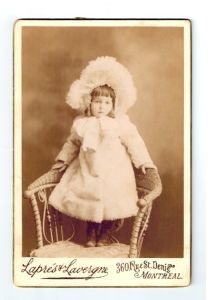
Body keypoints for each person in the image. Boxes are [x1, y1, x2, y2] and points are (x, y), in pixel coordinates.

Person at [49, 56, 159, 247]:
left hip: (114, 172)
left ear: (113, 105)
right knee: (89, 200)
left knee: (111, 202)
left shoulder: (120, 123)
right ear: (89, 103)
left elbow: (134, 142)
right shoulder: (81, 123)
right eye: (98, 101)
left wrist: (143, 162)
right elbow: (72, 144)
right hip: (88, 171)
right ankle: (91, 232)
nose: (102, 106)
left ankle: (106, 232)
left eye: (107, 103)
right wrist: (62, 160)